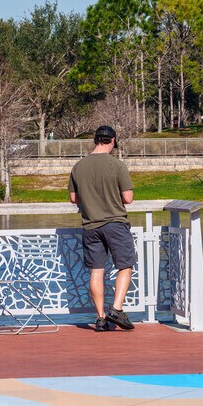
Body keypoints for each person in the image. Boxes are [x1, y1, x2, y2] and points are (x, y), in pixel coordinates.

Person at [68, 125, 136, 332]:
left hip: (91, 225)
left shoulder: (79, 166)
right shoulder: (117, 165)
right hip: (115, 223)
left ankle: (99, 318)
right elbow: (128, 198)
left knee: (96, 271)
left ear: (95, 140)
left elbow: (73, 199)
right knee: (125, 265)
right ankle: (116, 309)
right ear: (113, 141)